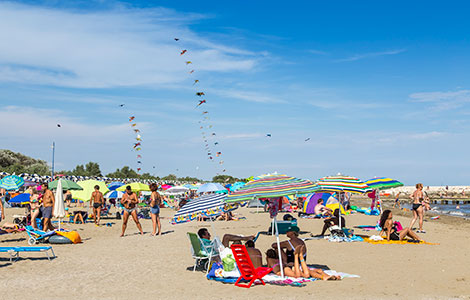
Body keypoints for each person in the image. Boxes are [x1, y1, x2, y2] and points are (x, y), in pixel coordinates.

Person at [266, 245, 340, 280]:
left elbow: (269, 268)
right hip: (287, 267)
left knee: (304, 274)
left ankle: (325, 277)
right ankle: (325, 276)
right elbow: (284, 260)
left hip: (283, 271)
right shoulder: (278, 259)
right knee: (310, 271)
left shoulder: (269, 259)